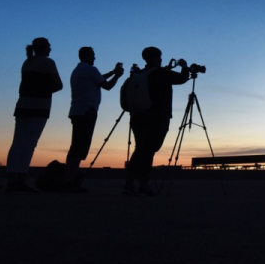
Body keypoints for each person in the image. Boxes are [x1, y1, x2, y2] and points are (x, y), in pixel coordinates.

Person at [123, 47, 189, 196]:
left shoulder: (140, 73)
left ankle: (129, 183)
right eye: (159, 57)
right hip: (156, 117)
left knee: (140, 149)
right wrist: (184, 66)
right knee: (148, 151)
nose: (161, 59)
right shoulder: (160, 73)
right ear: (155, 58)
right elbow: (182, 79)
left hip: (137, 116)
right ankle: (143, 185)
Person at [5, 37, 63, 193]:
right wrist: (43, 90)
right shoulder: (48, 63)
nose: (51, 49)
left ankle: (12, 180)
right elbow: (58, 85)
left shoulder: (27, 62)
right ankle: (21, 181)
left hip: (23, 105)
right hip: (39, 107)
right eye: (49, 46)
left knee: (17, 143)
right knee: (29, 144)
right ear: (44, 48)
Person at [64, 47, 125, 192]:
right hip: (87, 111)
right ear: (86, 55)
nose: (95, 58)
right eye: (93, 55)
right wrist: (117, 76)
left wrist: (112, 72)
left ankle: (68, 180)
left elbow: (98, 80)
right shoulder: (90, 69)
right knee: (79, 147)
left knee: (76, 145)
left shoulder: (80, 70)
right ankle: (69, 182)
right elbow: (107, 85)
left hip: (78, 110)